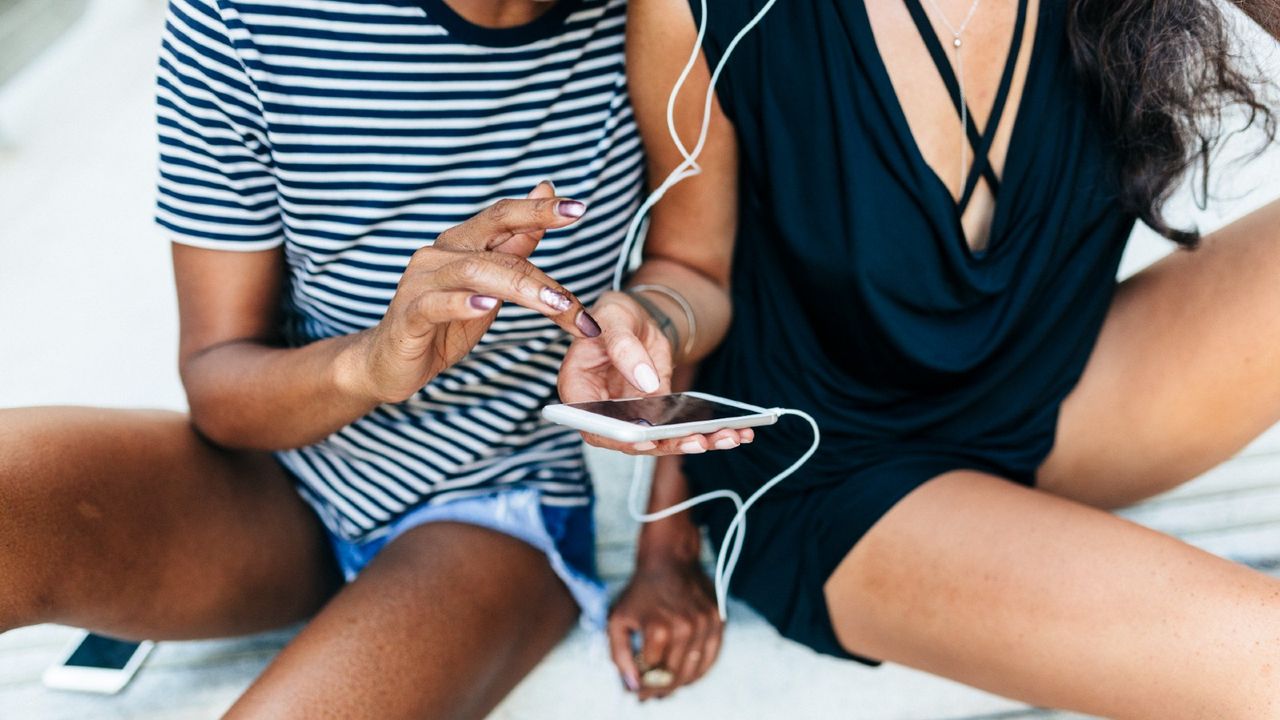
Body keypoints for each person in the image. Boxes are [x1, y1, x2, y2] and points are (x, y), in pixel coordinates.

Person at [560, 0, 1280, 715]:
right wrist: (648, 331)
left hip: (1051, 391)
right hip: (837, 470)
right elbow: (694, 266)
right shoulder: (701, 11)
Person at [0, 0, 641, 717]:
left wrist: (671, 541)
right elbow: (217, 374)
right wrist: (368, 364)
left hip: (497, 496)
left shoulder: (662, 17)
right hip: (284, 461)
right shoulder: (239, 18)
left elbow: (702, 263)